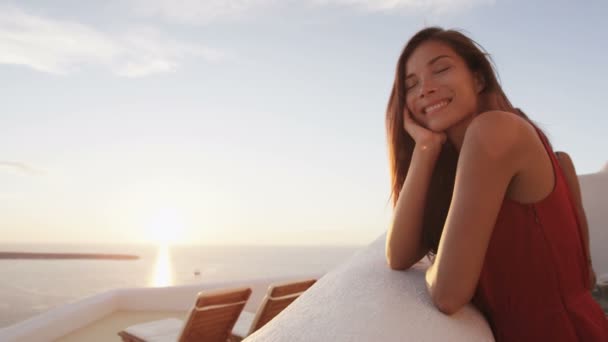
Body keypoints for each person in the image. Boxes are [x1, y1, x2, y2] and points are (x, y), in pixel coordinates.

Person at [384, 27, 608, 341]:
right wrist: (425, 149)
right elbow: (398, 255)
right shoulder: (469, 161)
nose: (425, 88)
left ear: (478, 78)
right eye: (411, 84)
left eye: (441, 69)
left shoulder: (494, 130)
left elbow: (448, 295)